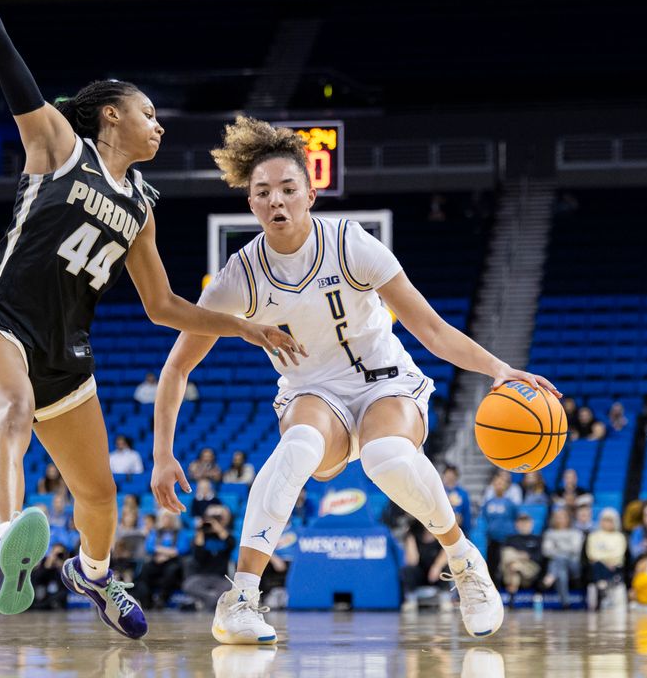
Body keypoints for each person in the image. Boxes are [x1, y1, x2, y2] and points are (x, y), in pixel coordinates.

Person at [0, 0, 299, 633]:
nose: (159, 123)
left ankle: (91, 577)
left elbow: (163, 308)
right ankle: (4, 549)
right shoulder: (57, 146)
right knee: (11, 411)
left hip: (67, 351)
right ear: (112, 113)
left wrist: (246, 328)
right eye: (149, 111)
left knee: (99, 497)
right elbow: (3, 57)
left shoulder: (143, 204)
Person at [150, 115, 559, 640]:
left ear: (310, 194)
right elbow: (177, 366)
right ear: (250, 203)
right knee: (298, 446)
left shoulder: (351, 243)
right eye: (263, 192)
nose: (277, 201)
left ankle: (462, 560)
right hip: (311, 392)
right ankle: (240, 599)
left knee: (387, 457)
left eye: (288, 189)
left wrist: (499, 369)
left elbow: (430, 329)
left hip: (385, 383)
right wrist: (164, 454)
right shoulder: (240, 275)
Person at [183, 504, 237, 611]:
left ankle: (204, 604)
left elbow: (231, 544)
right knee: (188, 585)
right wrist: (200, 531)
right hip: (202, 576)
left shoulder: (226, 535)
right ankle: (212, 601)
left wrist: (219, 528)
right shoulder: (201, 536)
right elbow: (198, 556)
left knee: (228, 589)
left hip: (221, 577)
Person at [134, 510, 191, 609]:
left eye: (169, 518)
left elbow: (182, 549)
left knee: (171, 570)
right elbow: (149, 547)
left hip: (173, 561)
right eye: (165, 518)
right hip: (157, 559)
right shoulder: (155, 532)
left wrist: (164, 553)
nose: (167, 520)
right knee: (145, 569)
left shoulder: (180, 533)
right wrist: (166, 552)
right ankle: (146, 599)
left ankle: (162, 599)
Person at [541, 508, 584, 608]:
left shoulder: (575, 532)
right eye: (557, 517)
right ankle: (566, 603)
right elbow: (546, 551)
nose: (560, 520)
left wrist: (557, 547)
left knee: (558, 559)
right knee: (561, 571)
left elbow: (575, 549)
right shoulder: (549, 533)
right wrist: (564, 550)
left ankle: (551, 576)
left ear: (568, 518)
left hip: (574, 566)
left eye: (562, 517)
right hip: (560, 565)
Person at [585, 508, 627, 609]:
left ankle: (602, 587)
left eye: (610, 520)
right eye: (604, 520)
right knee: (597, 565)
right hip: (599, 566)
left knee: (604, 565)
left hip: (615, 566)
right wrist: (606, 560)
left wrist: (605, 559)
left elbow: (619, 554)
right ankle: (602, 586)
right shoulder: (593, 536)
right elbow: (592, 554)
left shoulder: (620, 537)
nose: (607, 523)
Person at [499, 512, 543, 594]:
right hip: (513, 569)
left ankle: (511, 597)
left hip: (529, 569)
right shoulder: (510, 539)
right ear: (516, 524)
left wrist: (527, 556)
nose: (524, 525)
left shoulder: (537, 539)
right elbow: (504, 556)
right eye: (521, 522)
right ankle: (512, 594)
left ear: (531, 524)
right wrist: (520, 556)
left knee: (513, 564)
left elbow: (540, 557)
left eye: (526, 522)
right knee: (510, 558)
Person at [481, 476, 519, 547]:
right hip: (492, 538)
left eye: (501, 484)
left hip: (507, 537)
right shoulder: (488, 503)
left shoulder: (510, 503)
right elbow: (485, 517)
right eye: (497, 484)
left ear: (505, 486)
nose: (499, 486)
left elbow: (515, 516)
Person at [441, 465, 471, 533]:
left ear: (456, 476)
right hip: (442, 526)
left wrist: (467, 528)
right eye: (448, 474)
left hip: (459, 527)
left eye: (452, 474)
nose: (450, 477)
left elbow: (466, 512)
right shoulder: (440, 491)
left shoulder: (462, 493)